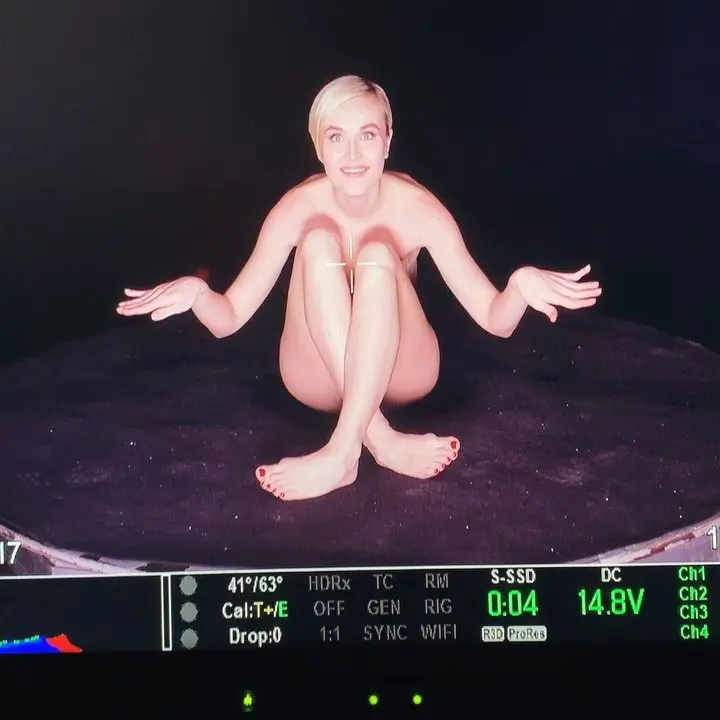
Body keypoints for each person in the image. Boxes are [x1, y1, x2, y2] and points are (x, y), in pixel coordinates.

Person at [117, 75, 602, 502]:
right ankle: (378, 439)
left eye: (367, 135)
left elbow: (495, 319)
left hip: (402, 375)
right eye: (337, 137)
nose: (352, 155)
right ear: (318, 147)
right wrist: (199, 295)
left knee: (376, 252)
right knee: (317, 240)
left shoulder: (416, 206)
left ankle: (343, 449)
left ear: (388, 141)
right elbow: (230, 319)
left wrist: (517, 287)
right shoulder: (297, 207)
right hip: (317, 381)